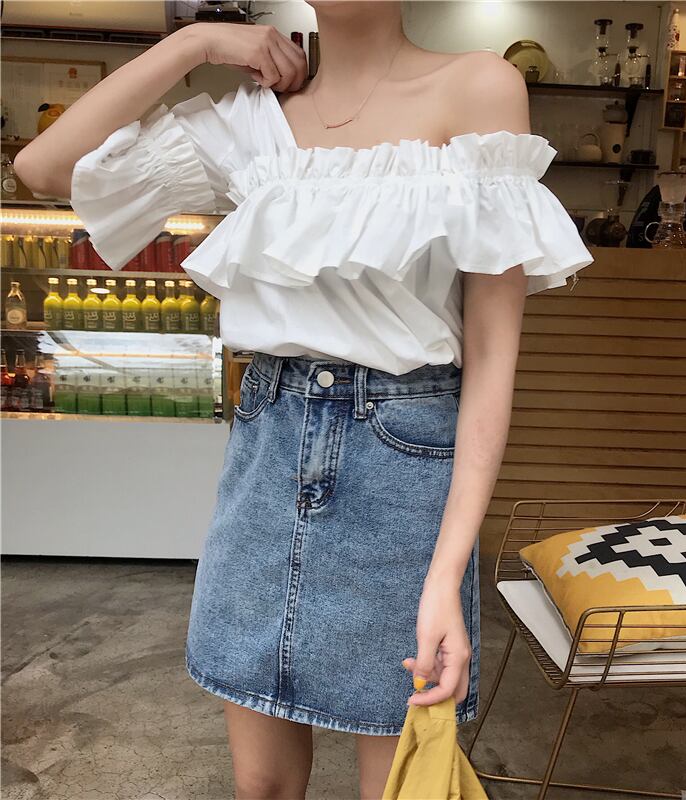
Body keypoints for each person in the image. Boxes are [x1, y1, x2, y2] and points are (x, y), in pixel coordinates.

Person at [14, 2, 593, 798]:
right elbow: (46, 168)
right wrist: (196, 41)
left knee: (398, 786)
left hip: (403, 469)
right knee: (262, 786)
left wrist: (448, 572)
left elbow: (493, 357)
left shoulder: (479, 87)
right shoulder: (251, 122)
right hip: (267, 453)